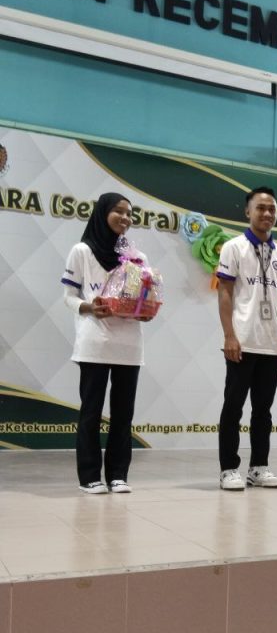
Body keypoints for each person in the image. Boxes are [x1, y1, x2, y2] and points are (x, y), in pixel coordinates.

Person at [61, 192, 146, 494]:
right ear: (102, 213)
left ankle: (118, 475)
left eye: (129, 214)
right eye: (119, 211)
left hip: (129, 347)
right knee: (91, 413)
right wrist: (88, 307)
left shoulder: (136, 258)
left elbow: (137, 300)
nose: (125, 218)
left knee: (123, 415)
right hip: (94, 344)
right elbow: (69, 297)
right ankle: (89, 477)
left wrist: (145, 310)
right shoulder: (81, 251)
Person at [216, 186, 277, 490]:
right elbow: (224, 293)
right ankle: (228, 469)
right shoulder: (233, 248)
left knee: (263, 410)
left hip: (272, 345)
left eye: (272, 209)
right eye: (261, 208)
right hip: (242, 341)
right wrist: (229, 336)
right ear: (248, 211)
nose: (267, 213)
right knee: (233, 407)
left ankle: (259, 466)